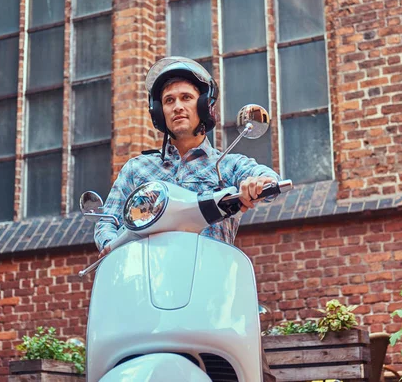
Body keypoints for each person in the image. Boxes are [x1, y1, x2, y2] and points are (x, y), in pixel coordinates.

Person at [94, 56, 278, 382]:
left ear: (204, 105)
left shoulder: (227, 163)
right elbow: (107, 218)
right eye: (168, 100)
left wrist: (256, 184)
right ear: (158, 111)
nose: (177, 106)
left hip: (210, 299)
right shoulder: (137, 170)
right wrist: (110, 243)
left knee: (254, 372)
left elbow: (264, 176)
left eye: (186, 98)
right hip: (144, 302)